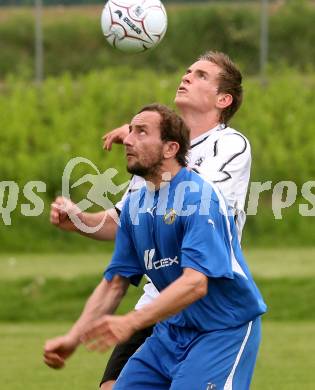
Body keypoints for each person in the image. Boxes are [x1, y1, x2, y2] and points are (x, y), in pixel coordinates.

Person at [47, 51, 251, 389]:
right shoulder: (151, 165)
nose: (187, 76)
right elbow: (126, 220)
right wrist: (80, 220)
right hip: (160, 298)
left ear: (223, 99)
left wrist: (143, 137)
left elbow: (193, 201)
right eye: (187, 70)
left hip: (208, 300)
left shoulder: (228, 145)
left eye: (201, 75)